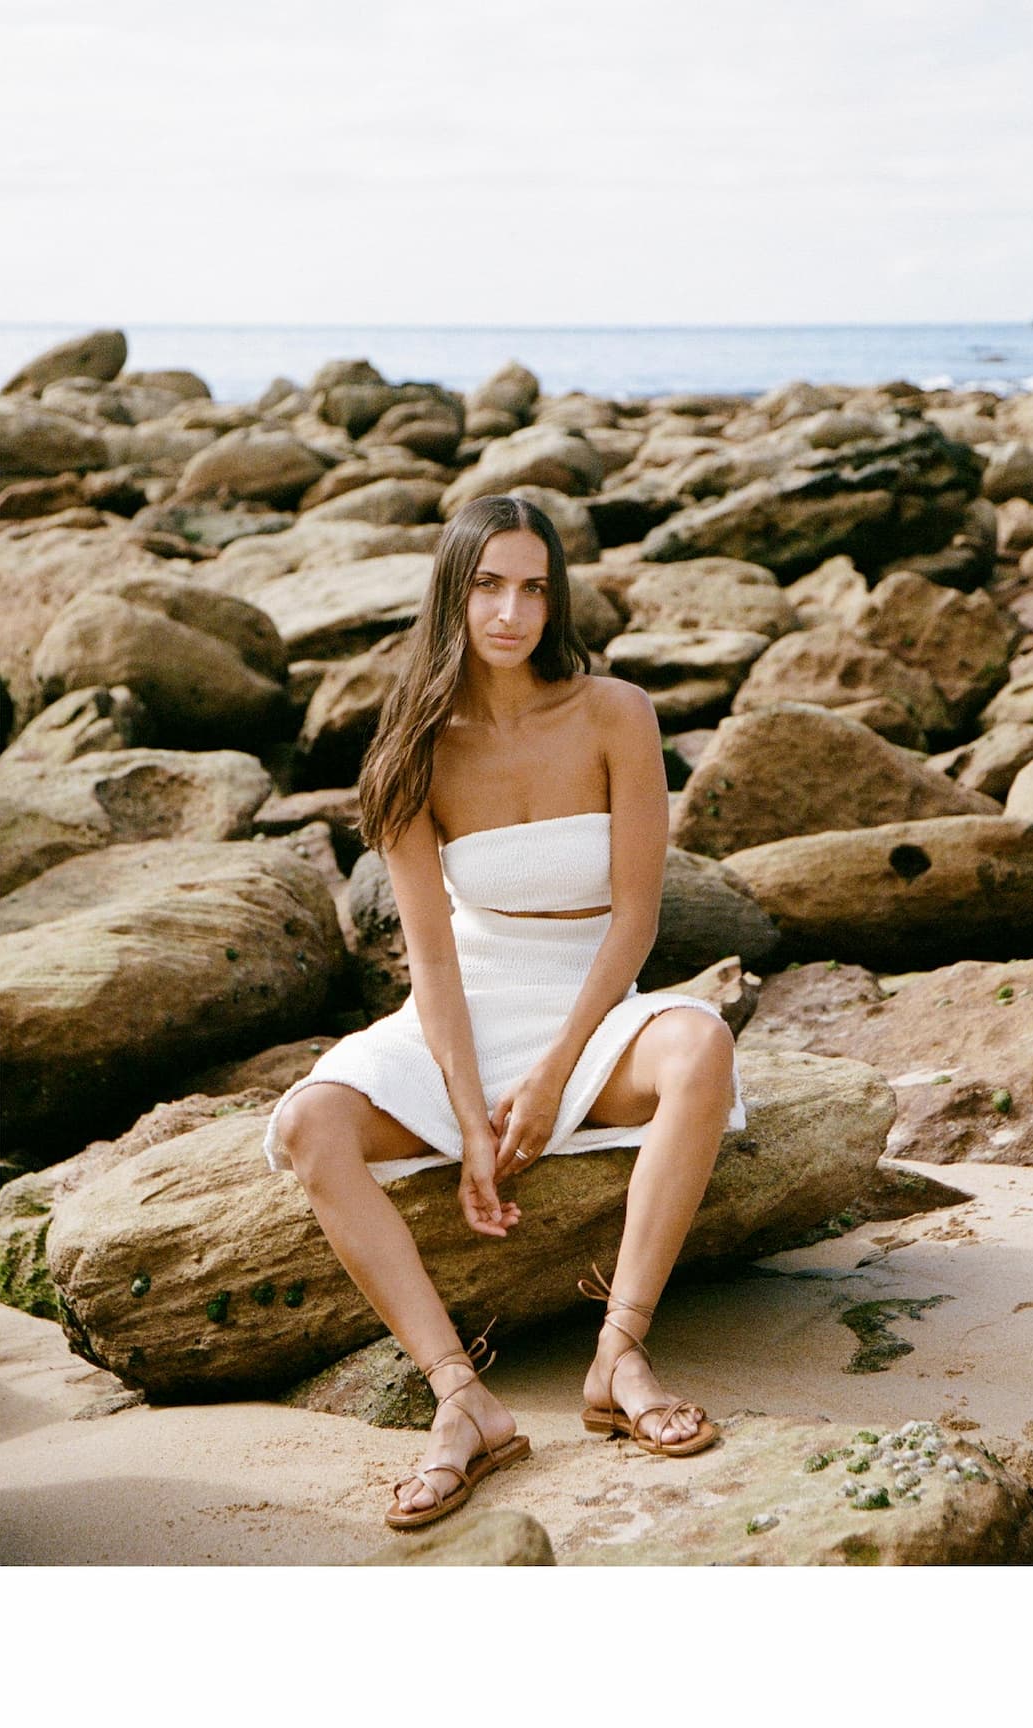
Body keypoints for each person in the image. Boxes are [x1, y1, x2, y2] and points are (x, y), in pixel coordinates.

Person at [264, 493, 745, 1531]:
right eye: (487, 584)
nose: (510, 610)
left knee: (701, 1042)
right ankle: (460, 1397)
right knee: (310, 1122)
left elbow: (634, 919)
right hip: (468, 1002)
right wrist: (468, 1110)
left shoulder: (616, 712)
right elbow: (428, 955)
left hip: (591, 1000)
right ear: (453, 593)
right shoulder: (411, 746)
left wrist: (553, 1073)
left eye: (532, 586)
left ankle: (617, 1353)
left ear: (553, 597)